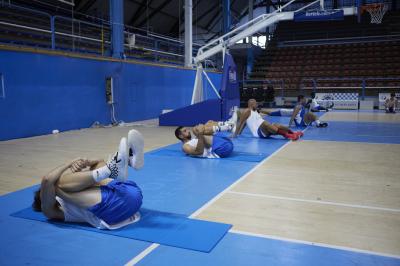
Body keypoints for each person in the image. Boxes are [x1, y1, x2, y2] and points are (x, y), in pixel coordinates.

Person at [32, 129, 145, 230]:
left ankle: (129, 161)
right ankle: (112, 168)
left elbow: (99, 161)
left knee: (96, 166)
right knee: (58, 183)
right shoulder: (51, 212)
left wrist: (87, 162)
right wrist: (69, 163)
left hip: (124, 194)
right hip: (115, 208)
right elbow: (47, 180)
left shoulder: (70, 191)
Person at [233, 99, 303, 140]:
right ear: (251, 104)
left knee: (277, 125)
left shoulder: (255, 111)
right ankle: (287, 135)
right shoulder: (247, 111)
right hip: (259, 133)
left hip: (265, 129)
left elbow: (245, 123)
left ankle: (292, 133)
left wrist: (240, 133)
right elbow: (240, 122)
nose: (257, 104)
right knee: (265, 123)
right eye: (256, 103)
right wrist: (235, 134)